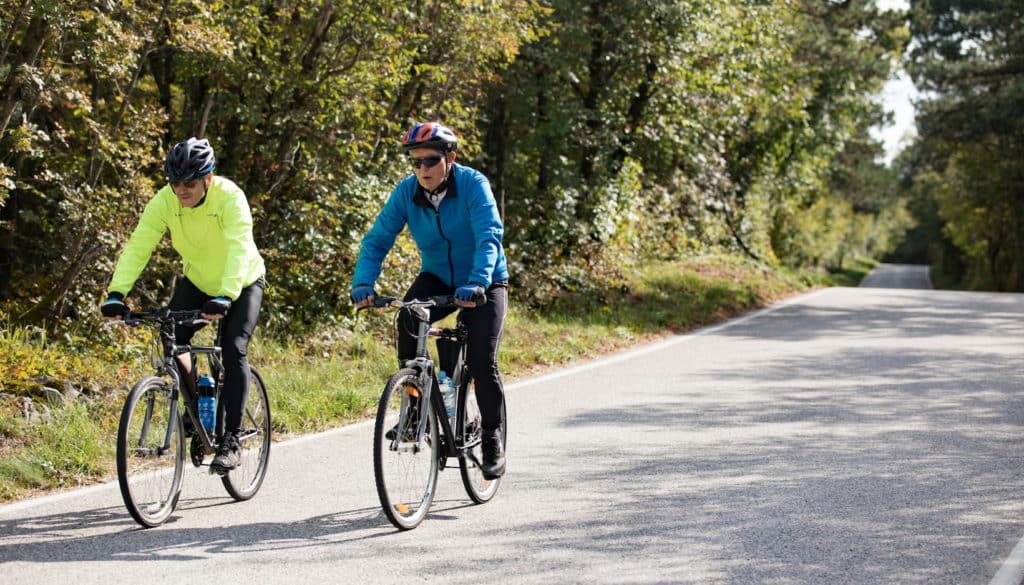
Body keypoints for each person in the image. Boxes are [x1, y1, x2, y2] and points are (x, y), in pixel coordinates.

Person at [351, 122, 510, 479]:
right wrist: (363, 283)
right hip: (438, 276)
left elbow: (489, 236)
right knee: (408, 319)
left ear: (450, 158)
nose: (422, 169)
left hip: (484, 280)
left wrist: (478, 281)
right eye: (416, 162)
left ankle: (491, 437)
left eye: (430, 160)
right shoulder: (407, 192)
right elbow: (377, 240)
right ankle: (414, 408)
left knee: (482, 359)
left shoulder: (473, 185)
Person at [100, 137, 266, 475]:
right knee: (171, 338)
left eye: (189, 182)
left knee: (233, 350)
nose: (181, 189)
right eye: (174, 182)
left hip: (243, 282)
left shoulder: (230, 198)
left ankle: (231, 439)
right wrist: (117, 293)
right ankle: (192, 412)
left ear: (209, 177)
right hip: (199, 282)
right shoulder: (164, 201)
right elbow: (139, 245)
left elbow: (238, 247)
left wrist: (225, 296)